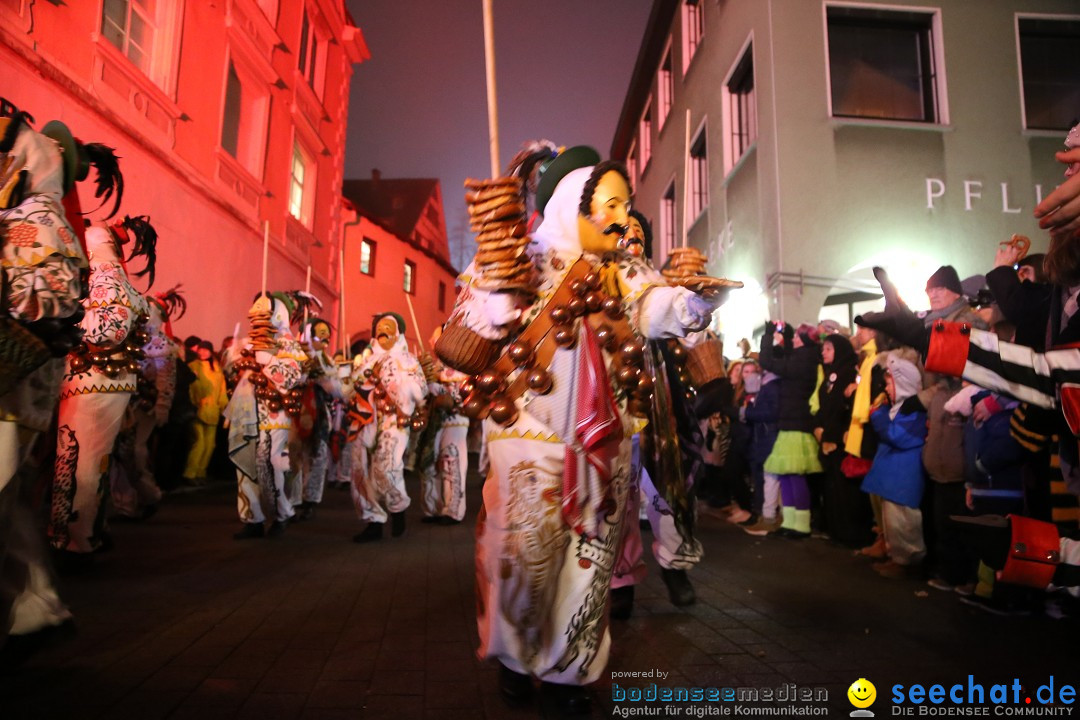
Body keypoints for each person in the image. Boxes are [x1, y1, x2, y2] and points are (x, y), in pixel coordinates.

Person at [437, 146, 727, 714]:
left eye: (626, 203)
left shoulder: (625, 271)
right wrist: (493, 304)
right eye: (609, 202)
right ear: (575, 205)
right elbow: (462, 336)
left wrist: (691, 303)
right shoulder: (516, 261)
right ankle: (518, 658)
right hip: (529, 438)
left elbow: (655, 307)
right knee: (523, 560)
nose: (621, 216)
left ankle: (570, 673)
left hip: (607, 444)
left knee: (590, 567)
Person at [0, 112, 99, 661]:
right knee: (9, 505)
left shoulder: (40, 219)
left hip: (12, 388)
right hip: (13, 389)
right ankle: (39, 610)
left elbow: (51, 306)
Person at [49, 216, 156, 565]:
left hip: (96, 386)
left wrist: (65, 315)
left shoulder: (108, 282)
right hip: (89, 384)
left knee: (83, 463)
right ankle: (84, 532)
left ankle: (78, 542)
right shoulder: (103, 280)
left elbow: (105, 331)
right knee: (81, 462)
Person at [224, 292, 310, 539]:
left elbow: (292, 378)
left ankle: (283, 513)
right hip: (246, 412)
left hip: (272, 414)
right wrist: (233, 360)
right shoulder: (250, 342)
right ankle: (252, 518)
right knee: (246, 466)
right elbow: (237, 375)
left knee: (270, 465)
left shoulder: (286, 342)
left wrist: (268, 361)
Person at [349, 312, 427, 542]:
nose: (382, 331)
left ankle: (397, 506)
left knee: (386, 466)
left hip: (395, 421)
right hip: (364, 422)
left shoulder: (408, 360)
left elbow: (420, 390)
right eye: (379, 328)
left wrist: (405, 391)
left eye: (388, 327)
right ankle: (372, 520)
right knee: (360, 470)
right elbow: (349, 388)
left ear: (398, 333)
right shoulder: (366, 361)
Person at [861, 355, 928, 578]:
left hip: (903, 476)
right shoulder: (899, 408)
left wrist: (877, 414)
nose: (886, 388)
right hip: (895, 475)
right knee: (893, 520)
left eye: (889, 383)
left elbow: (896, 436)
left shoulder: (913, 410)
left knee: (903, 522)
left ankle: (906, 561)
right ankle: (895, 556)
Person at [758, 321, 823, 538]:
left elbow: (767, 360)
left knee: (794, 476)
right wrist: (786, 333)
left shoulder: (804, 361)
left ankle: (801, 525)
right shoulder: (803, 358)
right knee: (786, 475)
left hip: (797, 424)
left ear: (804, 342)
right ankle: (790, 522)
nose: (793, 340)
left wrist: (768, 336)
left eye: (796, 337)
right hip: (790, 422)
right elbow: (786, 357)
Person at [183, 340, 229, 483]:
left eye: (206, 350)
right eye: (201, 349)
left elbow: (221, 392)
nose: (202, 352)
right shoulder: (192, 367)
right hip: (198, 409)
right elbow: (191, 388)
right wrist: (194, 402)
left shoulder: (217, 369)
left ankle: (201, 472)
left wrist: (224, 408)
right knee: (199, 442)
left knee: (210, 444)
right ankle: (190, 473)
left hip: (213, 411)